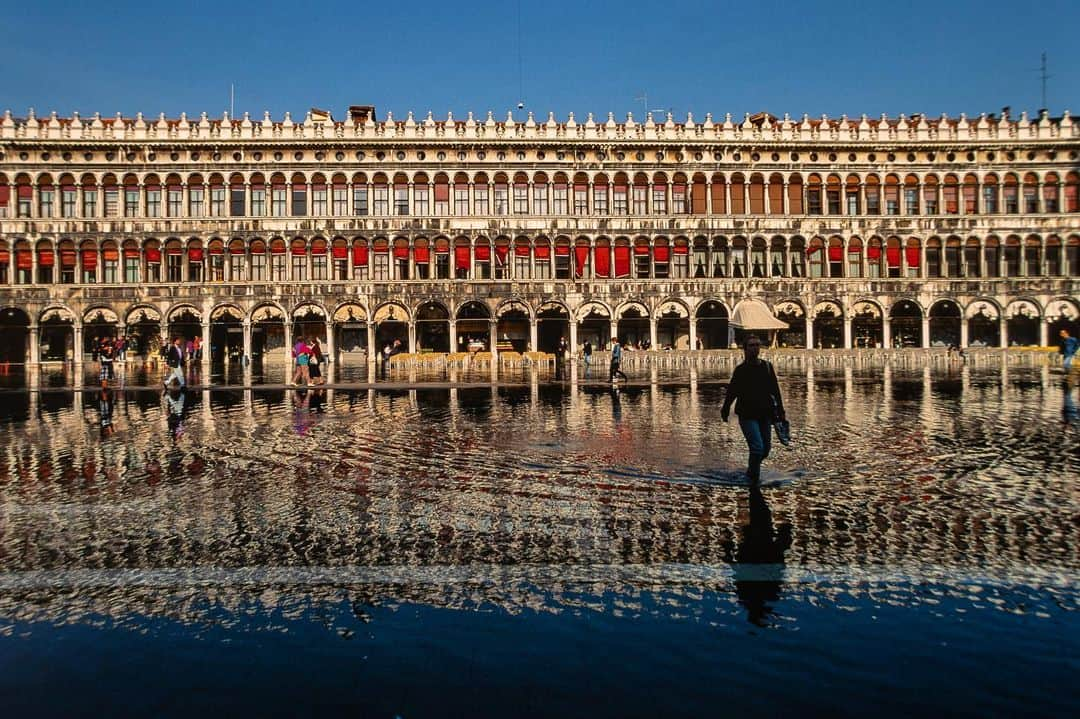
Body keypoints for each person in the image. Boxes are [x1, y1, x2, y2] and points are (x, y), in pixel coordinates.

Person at [721, 335, 785, 484]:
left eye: (757, 345)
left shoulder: (767, 367)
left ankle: (751, 470)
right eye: (752, 345)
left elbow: (775, 390)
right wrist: (725, 408)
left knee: (766, 449)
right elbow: (732, 391)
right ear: (745, 349)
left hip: (765, 413)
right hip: (747, 414)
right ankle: (753, 478)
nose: (755, 348)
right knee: (757, 447)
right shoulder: (741, 370)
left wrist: (781, 410)